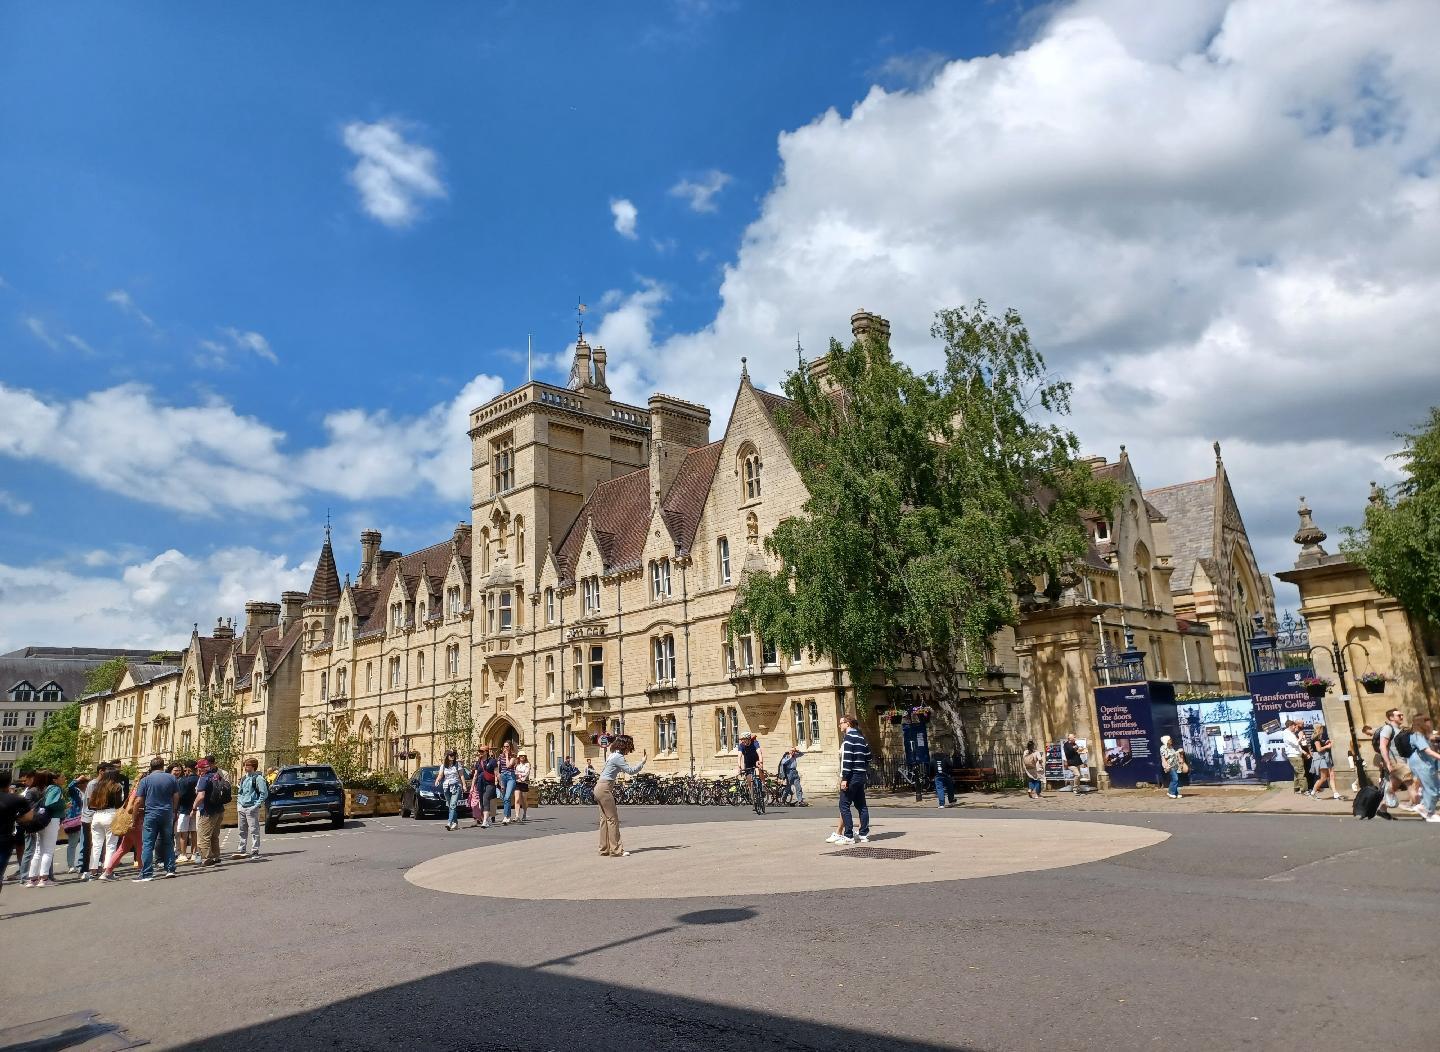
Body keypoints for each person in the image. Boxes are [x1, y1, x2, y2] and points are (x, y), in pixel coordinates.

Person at [595, 735, 646, 857]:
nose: (630, 750)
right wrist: (642, 762)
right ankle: (617, 849)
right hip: (605, 788)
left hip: (599, 787)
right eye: (629, 747)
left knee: (604, 820)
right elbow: (631, 771)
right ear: (625, 746)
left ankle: (604, 849)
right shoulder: (618, 757)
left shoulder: (612, 755)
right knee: (613, 819)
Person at [132, 756, 179, 882]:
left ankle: (147, 873)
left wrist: (134, 816)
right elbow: (176, 796)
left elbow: (138, 801)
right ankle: (170, 869)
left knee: (147, 844)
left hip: (151, 814)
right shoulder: (172, 778)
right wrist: (174, 810)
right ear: (162, 766)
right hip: (167, 813)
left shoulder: (145, 781)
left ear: (151, 767)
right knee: (168, 841)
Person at [23, 771, 64, 887]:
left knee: (38, 850)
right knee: (48, 850)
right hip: (51, 819)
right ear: (53, 779)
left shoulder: (38, 789)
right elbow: (50, 803)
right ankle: (44, 879)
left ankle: (32, 879)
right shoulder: (54, 789)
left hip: (39, 820)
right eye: (61, 776)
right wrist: (63, 804)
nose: (63, 778)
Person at [837, 714, 871, 845]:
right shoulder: (861, 738)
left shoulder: (848, 738)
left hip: (851, 776)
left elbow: (847, 760)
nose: (840, 725)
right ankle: (863, 834)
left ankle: (849, 836)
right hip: (861, 775)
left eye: (841, 723)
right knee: (861, 805)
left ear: (848, 724)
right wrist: (861, 767)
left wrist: (845, 778)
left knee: (844, 805)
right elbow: (869, 756)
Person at [87, 768, 125, 881]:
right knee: (111, 845)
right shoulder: (116, 786)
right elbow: (118, 804)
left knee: (96, 844)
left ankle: (93, 871)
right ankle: (107, 871)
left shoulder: (98, 786)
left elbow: (90, 805)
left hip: (97, 815)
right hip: (110, 814)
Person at [0, 771, 31, 900]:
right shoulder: (17, 799)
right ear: (9, 784)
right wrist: (16, 818)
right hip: (5, 840)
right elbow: (29, 817)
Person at [193, 758, 229, 866]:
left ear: (201, 769)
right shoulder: (216, 775)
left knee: (203, 836)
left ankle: (206, 858)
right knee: (214, 835)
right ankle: (216, 856)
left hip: (208, 811)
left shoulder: (204, 778)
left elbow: (201, 796)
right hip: (219, 809)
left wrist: (194, 807)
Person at [1404, 713, 1440, 823]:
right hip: (1422, 764)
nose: (1430, 722)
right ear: (1422, 722)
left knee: (1435, 788)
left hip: (1426, 763)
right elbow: (1427, 750)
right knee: (1432, 789)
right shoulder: (1417, 735)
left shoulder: (1423, 735)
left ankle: (1427, 810)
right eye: (1427, 720)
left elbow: (1433, 738)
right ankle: (1427, 811)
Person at [233, 758, 268, 859]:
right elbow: (240, 793)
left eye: (247, 765)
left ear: (253, 766)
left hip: (251, 807)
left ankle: (255, 850)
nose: (245, 767)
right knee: (241, 830)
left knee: (254, 830)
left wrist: (255, 806)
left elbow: (264, 793)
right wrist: (239, 805)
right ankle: (241, 849)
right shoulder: (244, 778)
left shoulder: (258, 779)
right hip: (242, 807)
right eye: (245, 765)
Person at [63, 773, 88, 875]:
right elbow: (70, 786)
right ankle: (71, 865)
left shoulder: (87, 791)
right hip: (75, 819)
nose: (87, 784)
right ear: (80, 784)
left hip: (86, 818)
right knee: (73, 843)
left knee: (83, 842)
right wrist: (77, 779)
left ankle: (80, 863)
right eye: (85, 783)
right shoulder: (75, 791)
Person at [1307, 724, 1341, 801]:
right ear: (1319, 729)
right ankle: (1312, 793)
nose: (1323, 730)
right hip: (1320, 758)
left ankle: (1335, 793)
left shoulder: (1319, 738)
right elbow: (1319, 749)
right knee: (1323, 778)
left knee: (1331, 775)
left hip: (1325, 757)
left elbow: (1320, 746)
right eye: (1322, 728)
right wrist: (1327, 746)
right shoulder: (1316, 738)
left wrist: (1326, 743)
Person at [175, 761, 199, 862]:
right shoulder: (199, 779)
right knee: (194, 832)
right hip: (196, 808)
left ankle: (183, 854)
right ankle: (194, 853)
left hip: (184, 809)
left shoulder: (183, 781)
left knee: (183, 833)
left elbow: (179, 795)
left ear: (188, 769)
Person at [437, 750, 466, 831]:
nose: (452, 756)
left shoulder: (457, 764)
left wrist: (464, 785)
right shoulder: (443, 766)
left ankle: (449, 823)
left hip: (456, 786)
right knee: (450, 806)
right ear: (447, 756)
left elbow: (462, 775)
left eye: (453, 755)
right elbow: (440, 775)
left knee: (453, 805)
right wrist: (437, 780)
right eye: (450, 755)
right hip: (446, 787)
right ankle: (455, 823)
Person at [738, 734, 765, 814]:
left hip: (756, 762)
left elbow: (759, 753)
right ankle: (754, 802)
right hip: (748, 764)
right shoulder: (741, 746)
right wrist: (739, 766)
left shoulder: (755, 743)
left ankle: (763, 785)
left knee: (759, 770)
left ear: (748, 739)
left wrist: (761, 762)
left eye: (744, 739)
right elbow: (739, 756)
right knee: (750, 783)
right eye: (742, 740)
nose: (743, 741)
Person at [1280, 721, 1307, 793]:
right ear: (1291, 726)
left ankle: (1297, 788)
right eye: (1294, 726)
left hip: (1294, 755)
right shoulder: (1287, 734)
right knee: (1301, 772)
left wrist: (1302, 751)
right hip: (1294, 756)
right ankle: (1304, 790)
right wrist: (1301, 737)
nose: (1295, 727)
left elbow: (1295, 745)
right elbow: (1296, 743)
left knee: (1297, 773)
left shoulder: (1289, 733)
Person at [497, 742, 520, 826]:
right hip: (503, 777)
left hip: (510, 777)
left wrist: (506, 756)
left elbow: (508, 765)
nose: (505, 748)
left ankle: (506, 816)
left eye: (507, 746)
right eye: (504, 746)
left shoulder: (513, 756)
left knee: (507, 796)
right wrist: (498, 780)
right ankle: (508, 816)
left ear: (510, 747)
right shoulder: (500, 756)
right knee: (505, 798)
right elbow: (498, 769)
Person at [1159, 735, 1182, 799]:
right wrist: (1166, 766)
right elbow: (1165, 757)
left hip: (1174, 765)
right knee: (1175, 779)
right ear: (1166, 741)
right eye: (1169, 740)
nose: (1171, 741)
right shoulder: (1163, 748)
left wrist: (1178, 752)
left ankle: (1176, 793)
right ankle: (1170, 792)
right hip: (1169, 766)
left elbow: (1174, 755)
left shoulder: (1171, 747)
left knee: (1175, 779)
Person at [512, 754, 532, 824]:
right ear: (518, 757)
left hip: (524, 783)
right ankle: (517, 816)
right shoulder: (516, 765)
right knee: (517, 799)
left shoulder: (527, 764)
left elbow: (526, 773)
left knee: (524, 799)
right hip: (517, 783)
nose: (522, 757)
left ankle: (525, 813)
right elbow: (514, 773)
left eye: (523, 756)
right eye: (521, 756)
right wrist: (518, 775)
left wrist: (520, 776)